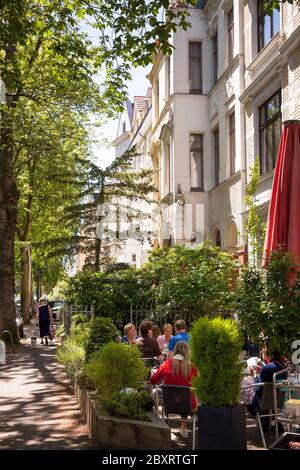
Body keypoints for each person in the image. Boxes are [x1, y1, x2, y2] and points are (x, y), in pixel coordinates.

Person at [150, 341, 198, 438]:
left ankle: (168, 428)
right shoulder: (192, 367)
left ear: (175, 351)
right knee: (188, 394)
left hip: (169, 403)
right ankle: (184, 427)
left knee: (179, 395)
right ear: (187, 352)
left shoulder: (167, 363)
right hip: (188, 405)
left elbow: (153, 380)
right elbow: (198, 387)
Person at [246, 349, 288, 431]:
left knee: (243, 395)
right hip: (279, 402)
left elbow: (258, 390)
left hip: (264, 404)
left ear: (270, 354)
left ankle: (262, 421)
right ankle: (270, 421)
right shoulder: (283, 367)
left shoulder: (266, 368)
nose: (262, 353)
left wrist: (255, 377)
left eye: (263, 351)